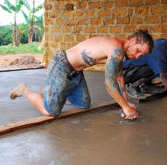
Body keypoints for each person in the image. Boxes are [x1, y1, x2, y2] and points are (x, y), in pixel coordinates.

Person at [9, 30, 154, 120]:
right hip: (61, 66)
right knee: (50, 111)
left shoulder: (119, 52)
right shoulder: (115, 49)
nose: (137, 56)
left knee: (83, 104)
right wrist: (125, 108)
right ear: (134, 40)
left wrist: (126, 102)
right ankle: (24, 91)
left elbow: (119, 76)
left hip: (76, 73)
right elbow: (110, 82)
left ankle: (53, 89)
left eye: (141, 55)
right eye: (139, 51)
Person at [123, 27, 167, 108]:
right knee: (160, 68)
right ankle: (133, 86)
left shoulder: (163, 42)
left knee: (158, 65)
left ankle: (146, 86)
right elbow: (164, 76)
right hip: (126, 73)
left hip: (132, 69)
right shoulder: (159, 51)